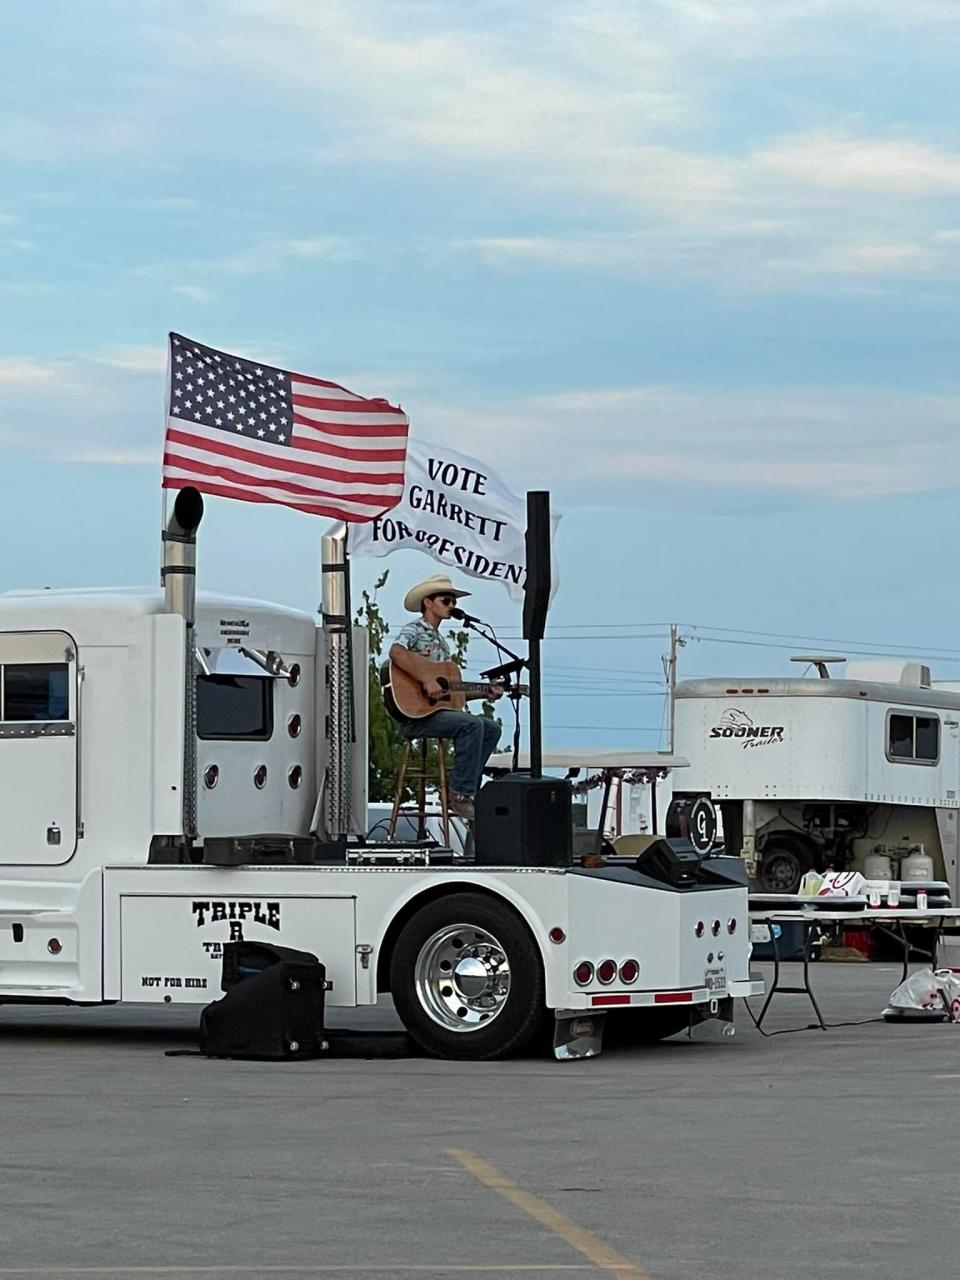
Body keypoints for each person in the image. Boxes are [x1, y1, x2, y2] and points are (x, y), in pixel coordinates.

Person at [389, 574, 502, 823]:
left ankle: (465, 788)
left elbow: (449, 695)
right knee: (472, 725)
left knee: (491, 728)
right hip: (414, 716)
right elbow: (396, 653)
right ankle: (459, 795)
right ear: (428, 602)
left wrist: (485, 691)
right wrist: (425, 680)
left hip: (436, 714)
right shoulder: (414, 630)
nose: (452, 605)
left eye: (452, 601)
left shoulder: (442, 644)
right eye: (446, 600)